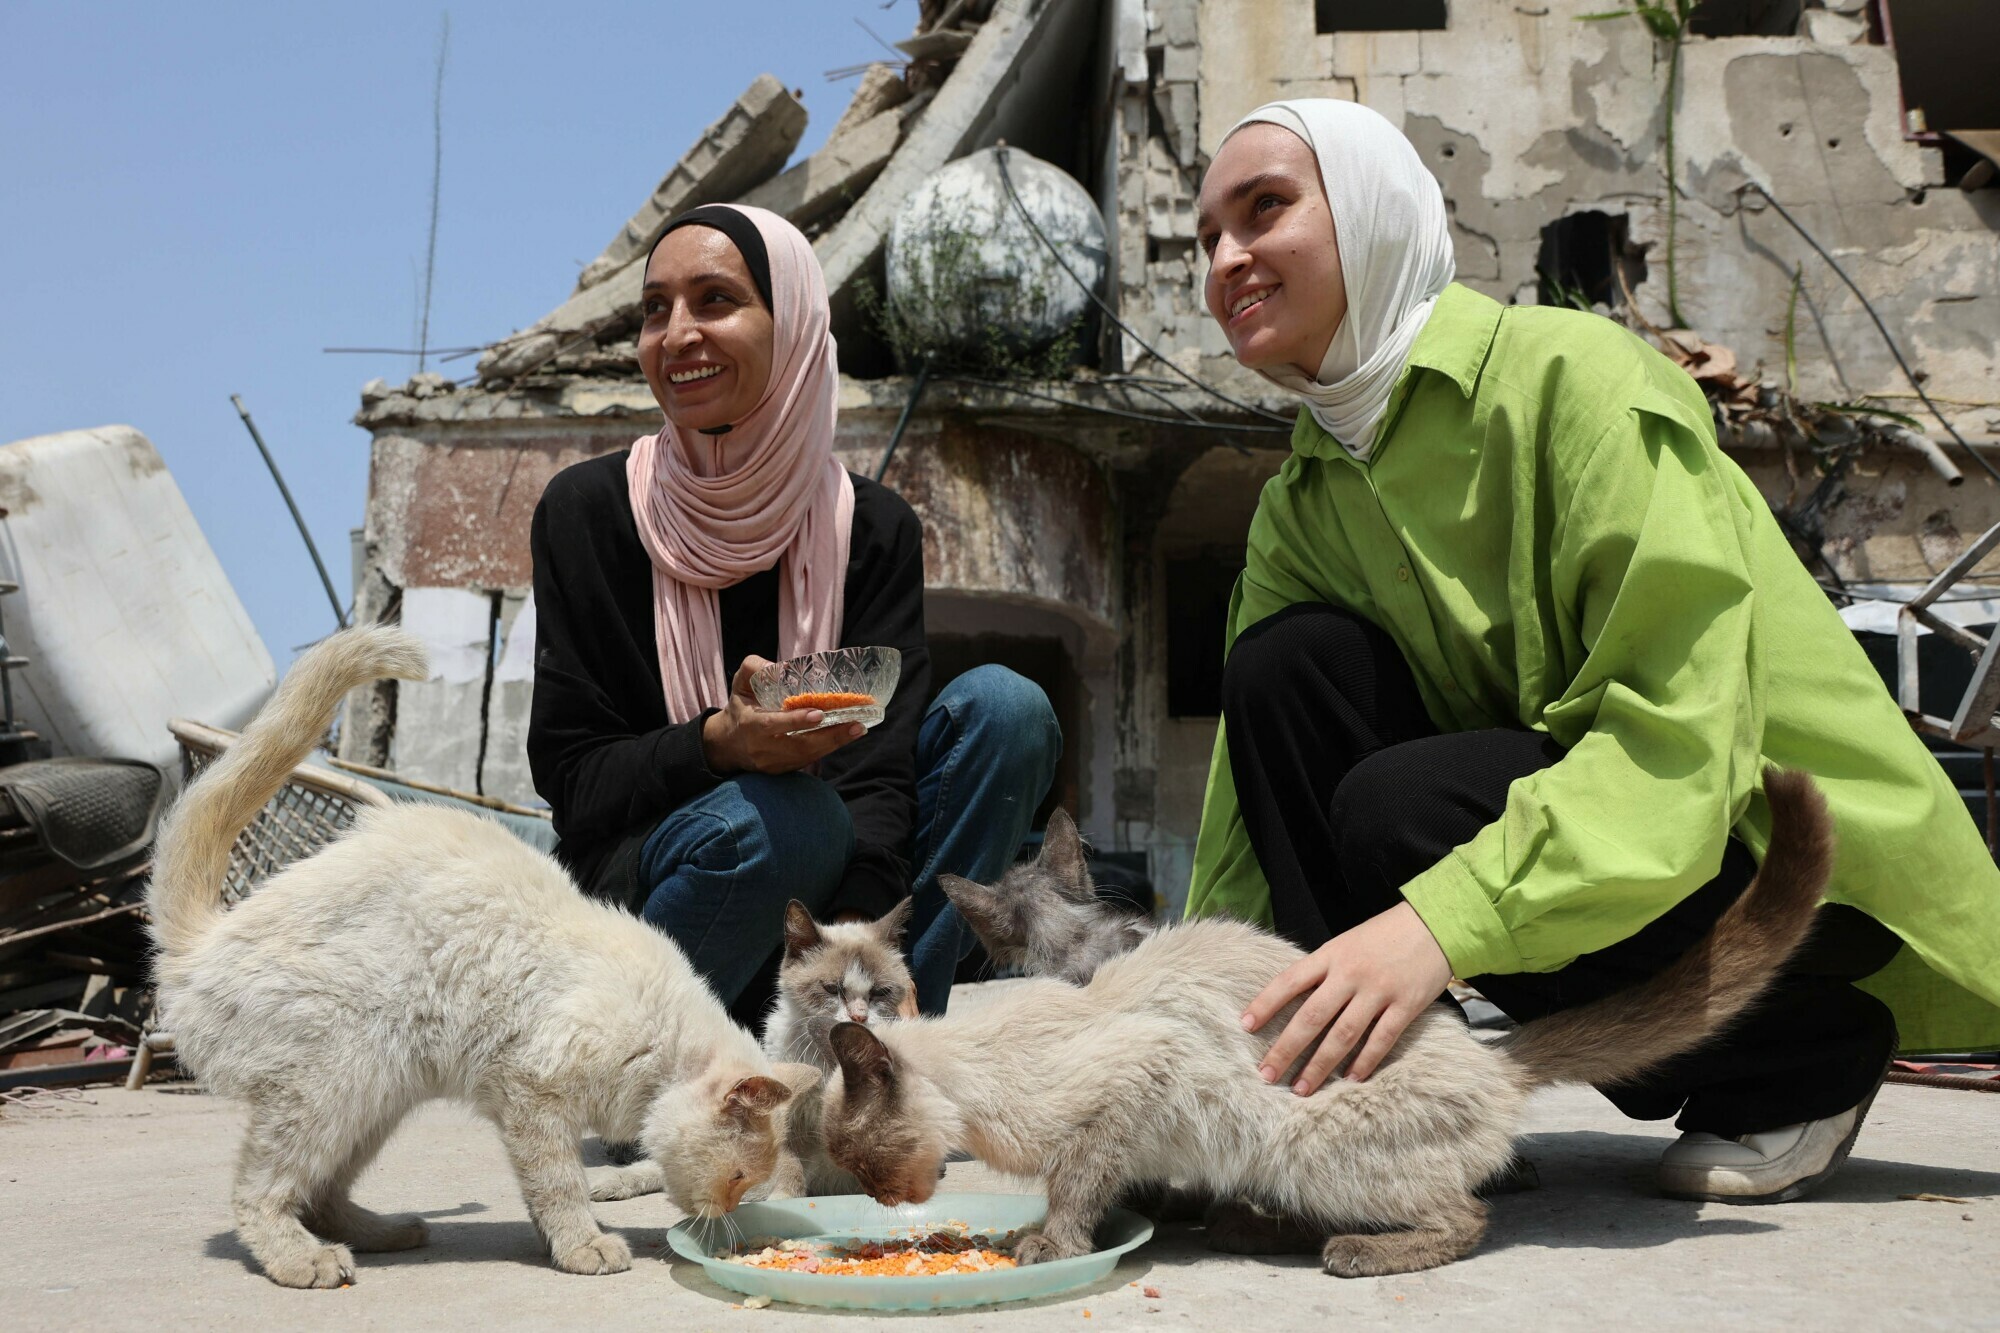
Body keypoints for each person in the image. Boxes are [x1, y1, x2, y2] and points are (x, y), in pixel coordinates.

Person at [1185, 99, 2000, 1203]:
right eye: (1204, 239)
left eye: (1263, 209)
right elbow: (1250, 804)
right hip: (1573, 832)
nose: (1225, 259)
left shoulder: (1581, 383)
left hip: (1776, 857)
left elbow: (1672, 751)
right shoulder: (1306, 494)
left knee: (1403, 806)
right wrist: (1194, 1014)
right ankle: (1396, 1105)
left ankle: (1799, 1056)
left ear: (1373, 214)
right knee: (1284, 664)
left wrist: (1437, 924)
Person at [528, 203, 1060, 1024]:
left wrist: (852, 955)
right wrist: (718, 744)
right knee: (785, 818)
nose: (675, 335)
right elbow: (574, 780)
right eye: (654, 309)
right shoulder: (590, 514)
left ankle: (877, 1035)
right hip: (669, 912)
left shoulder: (869, 530)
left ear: (796, 327)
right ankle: (648, 1051)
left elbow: (876, 775)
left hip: (838, 927)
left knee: (1007, 710)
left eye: (714, 300)